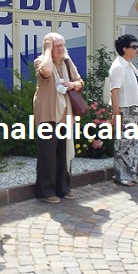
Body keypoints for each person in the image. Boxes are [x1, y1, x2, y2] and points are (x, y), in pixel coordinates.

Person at [33, 32, 83, 203]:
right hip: (47, 114)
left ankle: (63, 187)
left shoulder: (67, 63)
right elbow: (46, 72)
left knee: (63, 151)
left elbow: (80, 81)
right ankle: (46, 191)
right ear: (48, 47)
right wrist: (48, 50)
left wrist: (73, 84)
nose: (61, 49)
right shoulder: (41, 61)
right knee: (48, 153)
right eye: (56, 46)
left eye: (62, 45)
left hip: (64, 115)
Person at [109, 34, 138, 186]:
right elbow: (114, 91)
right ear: (125, 49)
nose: (137, 49)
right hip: (125, 108)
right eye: (134, 47)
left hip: (134, 107)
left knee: (132, 143)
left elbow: (136, 88)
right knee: (123, 144)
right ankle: (120, 175)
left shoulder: (130, 66)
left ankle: (130, 173)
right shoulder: (118, 67)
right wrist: (116, 114)